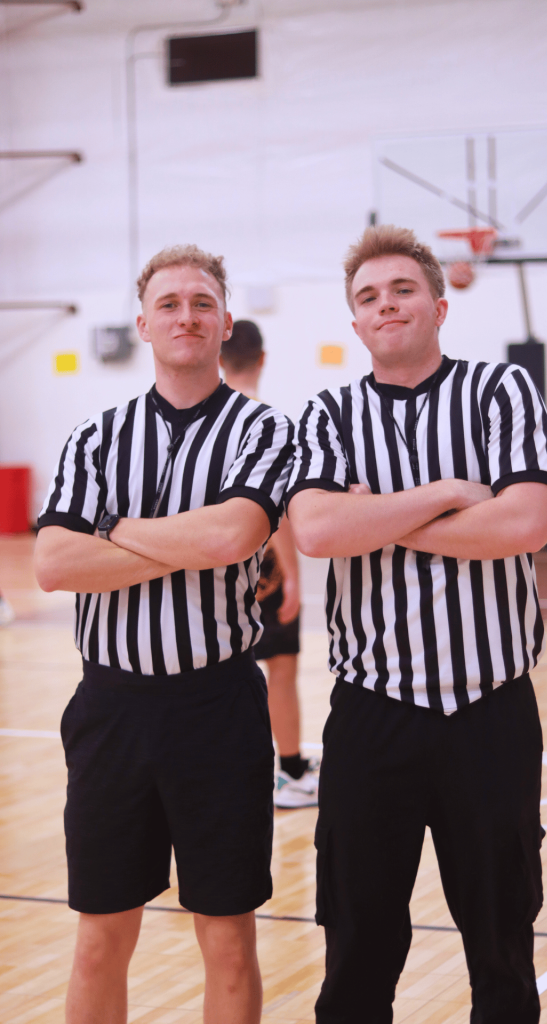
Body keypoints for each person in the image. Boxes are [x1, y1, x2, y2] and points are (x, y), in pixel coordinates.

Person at [286, 225, 547, 1024]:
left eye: (401, 289)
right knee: (359, 947)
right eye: (368, 297)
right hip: (374, 711)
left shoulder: (500, 391)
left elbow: (526, 523)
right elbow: (317, 534)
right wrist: (447, 492)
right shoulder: (329, 413)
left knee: (502, 947)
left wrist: (375, 514)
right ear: (356, 323)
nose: (386, 305)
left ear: (439, 305)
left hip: (490, 709)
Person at [34, 245, 294, 1024]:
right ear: (143, 322)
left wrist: (109, 528)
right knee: (99, 938)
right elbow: (51, 561)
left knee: (227, 940)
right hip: (111, 709)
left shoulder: (264, 432)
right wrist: (179, 539)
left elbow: (231, 539)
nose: (188, 315)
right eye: (171, 303)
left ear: (225, 323)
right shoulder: (95, 437)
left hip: (217, 707)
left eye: (203, 302)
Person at [220, 320, 319, 808]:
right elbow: (276, 516)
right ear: (262, 359)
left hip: (214, 568)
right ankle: (291, 770)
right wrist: (295, 578)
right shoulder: (267, 422)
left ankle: (240, 772)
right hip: (265, 571)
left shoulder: (209, 423)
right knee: (280, 670)